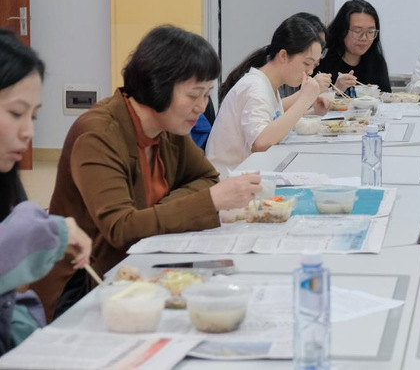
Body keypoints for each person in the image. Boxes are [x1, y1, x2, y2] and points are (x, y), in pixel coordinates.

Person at [32, 26, 261, 321]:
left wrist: (158, 210)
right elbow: (121, 228)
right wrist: (209, 201)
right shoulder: (98, 135)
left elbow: (206, 178)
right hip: (85, 287)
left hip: (142, 264)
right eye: (194, 94)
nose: (202, 107)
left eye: (206, 95)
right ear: (157, 87)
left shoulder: (168, 127)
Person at [0, 30, 92, 354]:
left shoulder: (6, 180)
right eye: (16, 113)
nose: (29, 132)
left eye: (34, 116)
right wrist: (50, 232)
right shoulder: (97, 130)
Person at [208, 16, 325, 175]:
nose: (310, 71)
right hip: (229, 180)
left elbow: (277, 125)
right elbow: (261, 142)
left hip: (248, 176)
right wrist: (304, 99)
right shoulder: (255, 87)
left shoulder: (268, 85)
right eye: (307, 63)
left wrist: (313, 112)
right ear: (283, 55)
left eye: (314, 65)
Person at [316, 0, 391, 94]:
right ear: (342, 30)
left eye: (370, 32)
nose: (364, 38)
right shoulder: (322, 59)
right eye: (357, 31)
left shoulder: (376, 62)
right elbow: (307, 98)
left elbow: (387, 98)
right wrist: (335, 90)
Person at [278, 12, 333, 99]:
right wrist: (308, 93)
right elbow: (279, 107)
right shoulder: (264, 78)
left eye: (321, 49)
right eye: (307, 63)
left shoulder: (295, 71)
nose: (310, 72)